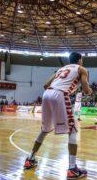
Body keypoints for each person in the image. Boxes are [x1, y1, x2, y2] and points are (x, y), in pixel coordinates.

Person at [23, 52, 92, 180]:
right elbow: (86, 90)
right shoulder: (82, 69)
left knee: (44, 130)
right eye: (82, 60)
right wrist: (89, 90)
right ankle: (72, 169)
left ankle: (30, 159)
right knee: (72, 131)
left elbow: (45, 85)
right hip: (60, 94)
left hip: (47, 94)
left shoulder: (61, 69)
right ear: (80, 60)